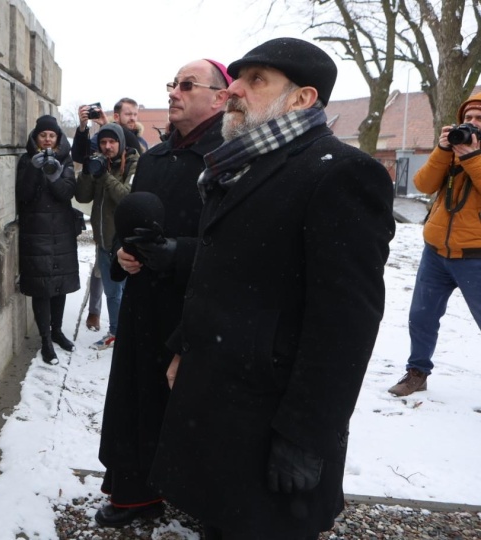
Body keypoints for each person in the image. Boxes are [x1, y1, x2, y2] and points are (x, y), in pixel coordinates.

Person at [153, 38, 395, 539]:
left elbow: (346, 323)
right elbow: (222, 272)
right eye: (237, 78)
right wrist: (184, 347)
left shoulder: (342, 174)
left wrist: (305, 436)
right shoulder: (240, 165)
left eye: (255, 80)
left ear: (303, 99)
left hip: (271, 416)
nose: (235, 89)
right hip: (220, 399)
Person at [93, 59, 231, 528]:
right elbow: (128, 226)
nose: (174, 92)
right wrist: (122, 255)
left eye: (187, 85)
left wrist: (175, 253)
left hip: (199, 305)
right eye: (173, 84)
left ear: (219, 97)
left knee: (193, 409)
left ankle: (195, 497)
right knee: (137, 401)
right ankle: (136, 493)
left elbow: (238, 248)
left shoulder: (232, 158)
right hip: (143, 305)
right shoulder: (153, 158)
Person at [389, 92, 481, 396]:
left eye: (479, 119)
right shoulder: (452, 150)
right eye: (468, 118)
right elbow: (423, 185)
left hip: (475, 256)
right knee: (421, 317)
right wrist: (443, 151)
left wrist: (472, 158)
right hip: (435, 253)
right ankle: (417, 372)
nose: (472, 124)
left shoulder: (470, 155)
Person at [73, 98, 146, 341]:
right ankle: (116, 332)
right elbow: (82, 196)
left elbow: (127, 197)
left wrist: (104, 176)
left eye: (112, 142)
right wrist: (87, 172)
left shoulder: (134, 163)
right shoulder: (98, 163)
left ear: (120, 143)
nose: (106, 147)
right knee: (113, 293)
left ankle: (127, 334)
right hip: (104, 241)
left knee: (128, 292)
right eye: (103, 142)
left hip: (126, 242)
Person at [16, 115, 80, 365]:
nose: (47, 139)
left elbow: (67, 193)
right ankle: (45, 339)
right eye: (43, 135)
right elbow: (24, 195)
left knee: (60, 285)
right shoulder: (26, 161)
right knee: (42, 288)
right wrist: (33, 168)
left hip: (61, 231)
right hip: (36, 232)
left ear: (57, 139)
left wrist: (54, 176)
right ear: (36, 137)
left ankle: (58, 331)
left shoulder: (65, 161)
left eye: (51, 135)